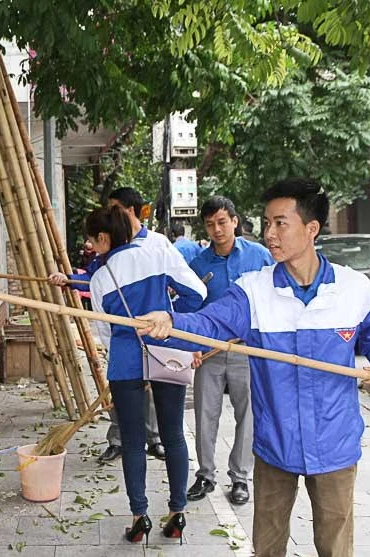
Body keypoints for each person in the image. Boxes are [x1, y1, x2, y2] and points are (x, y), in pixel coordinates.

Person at [136, 178, 370, 557]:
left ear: (311, 229)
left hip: (335, 444)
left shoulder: (353, 289)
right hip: (274, 443)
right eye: (267, 223)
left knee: (336, 546)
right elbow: (210, 325)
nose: (270, 234)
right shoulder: (253, 291)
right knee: (266, 547)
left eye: (280, 223)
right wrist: (169, 324)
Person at [85, 205, 207, 544]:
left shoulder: (100, 277)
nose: (92, 248)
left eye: (93, 241)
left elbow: (105, 331)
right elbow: (198, 294)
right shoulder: (157, 253)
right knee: (173, 434)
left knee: (134, 440)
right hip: (166, 348)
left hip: (125, 359)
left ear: (104, 238)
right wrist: (168, 317)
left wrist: (127, 343)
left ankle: (139, 516)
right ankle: (177, 511)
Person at [50, 187, 173, 462]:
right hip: (122, 340)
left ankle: (154, 439)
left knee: (152, 392)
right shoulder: (105, 256)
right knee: (121, 392)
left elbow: (179, 290)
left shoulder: (157, 245)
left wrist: (177, 327)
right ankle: (119, 440)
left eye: (115, 209)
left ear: (129, 211)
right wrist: (68, 278)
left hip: (155, 336)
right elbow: (95, 282)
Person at [185, 197, 273, 505]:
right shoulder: (198, 264)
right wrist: (193, 347)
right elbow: (191, 308)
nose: (217, 230)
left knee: (247, 414)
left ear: (235, 221)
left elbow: (275, 298)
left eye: (222, 222)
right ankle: (205, 474)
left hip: (246, 349)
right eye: (210, 224)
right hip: (209, 350)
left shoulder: (260, 257)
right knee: (205, 413)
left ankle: (240, 478)